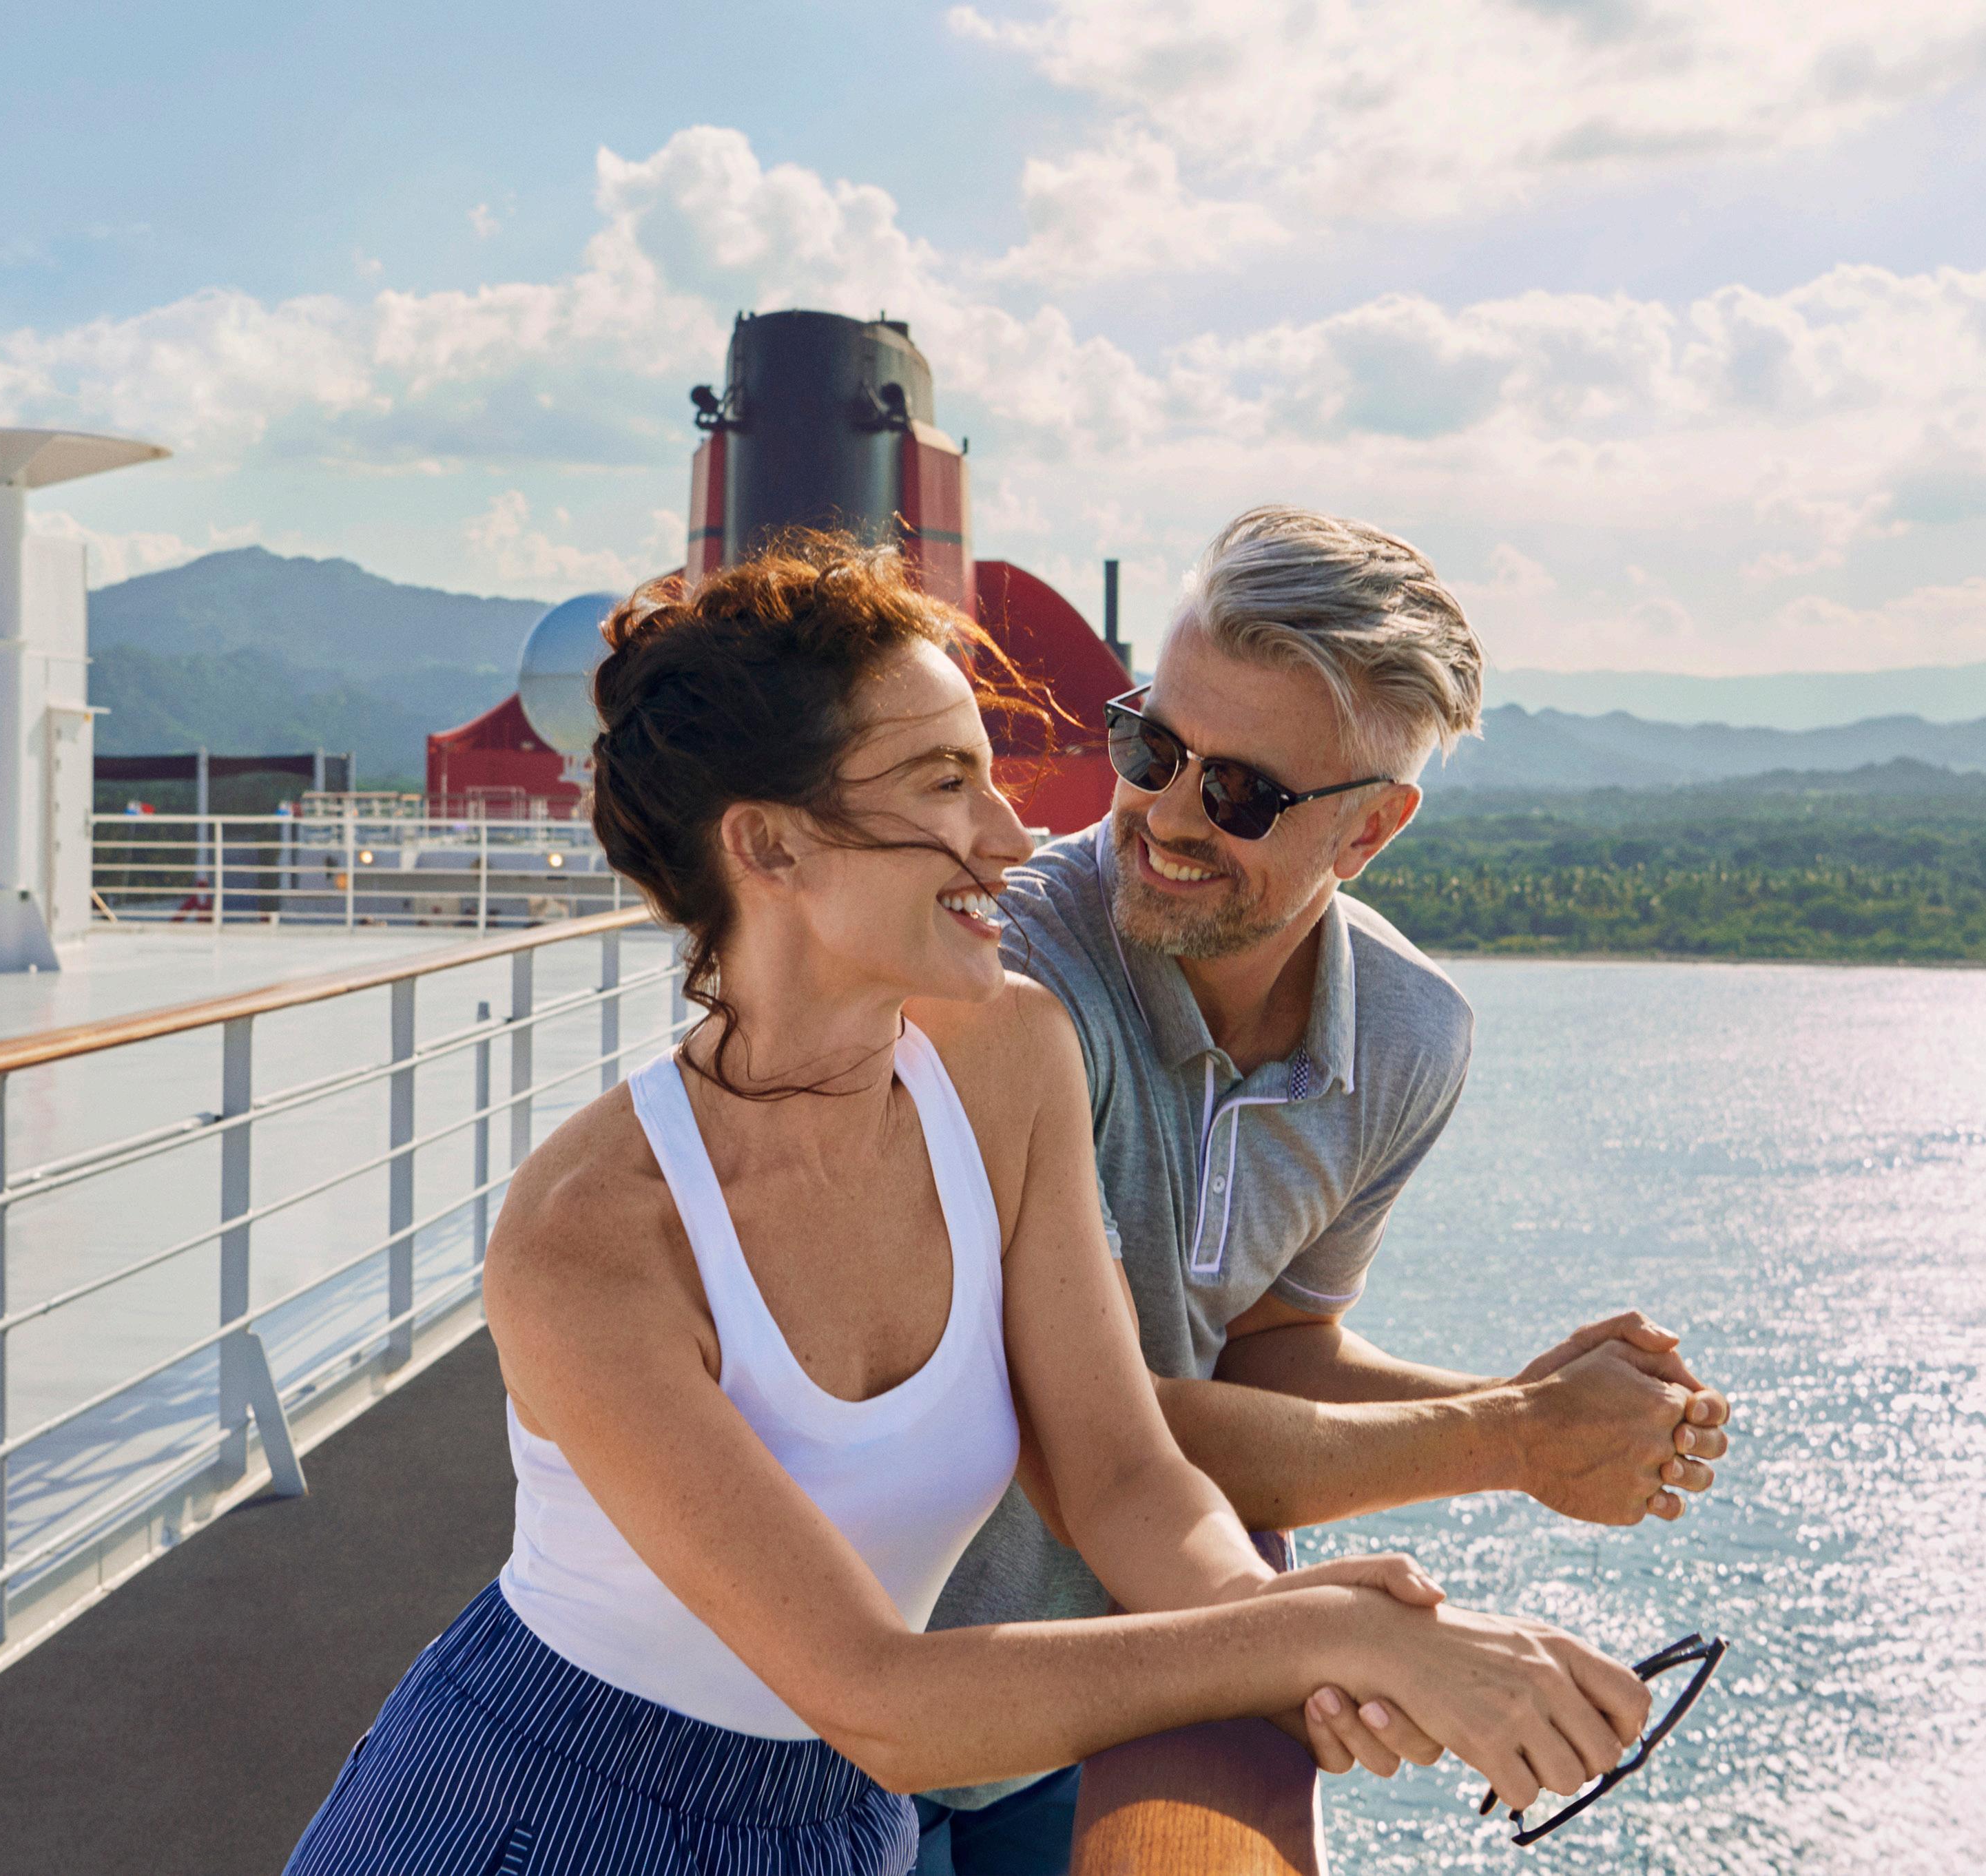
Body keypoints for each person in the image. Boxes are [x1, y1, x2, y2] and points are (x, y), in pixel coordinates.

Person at [283, 539, 1653, 1876]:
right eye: (946, 784)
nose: (1013, 837)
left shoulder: (1008, 1056)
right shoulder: (589, 1237)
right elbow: (874, 1695)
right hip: (546, 1816)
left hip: (845, 1828)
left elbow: (1121, 1477)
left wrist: (1291, 1628)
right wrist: (1314, 1638)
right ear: (771, 846)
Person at [917, 507, 1736, 1872]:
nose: (1167, 815)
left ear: (1369, 830)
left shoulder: (1407, 1036)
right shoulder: (1008, 987)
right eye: (1151, 749)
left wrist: (1528, 1409)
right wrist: (1512, 1438)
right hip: (866, 1701)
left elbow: (1268, 1346)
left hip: (1110, 1688)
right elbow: (1062, 1426)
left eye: (1240, 794)